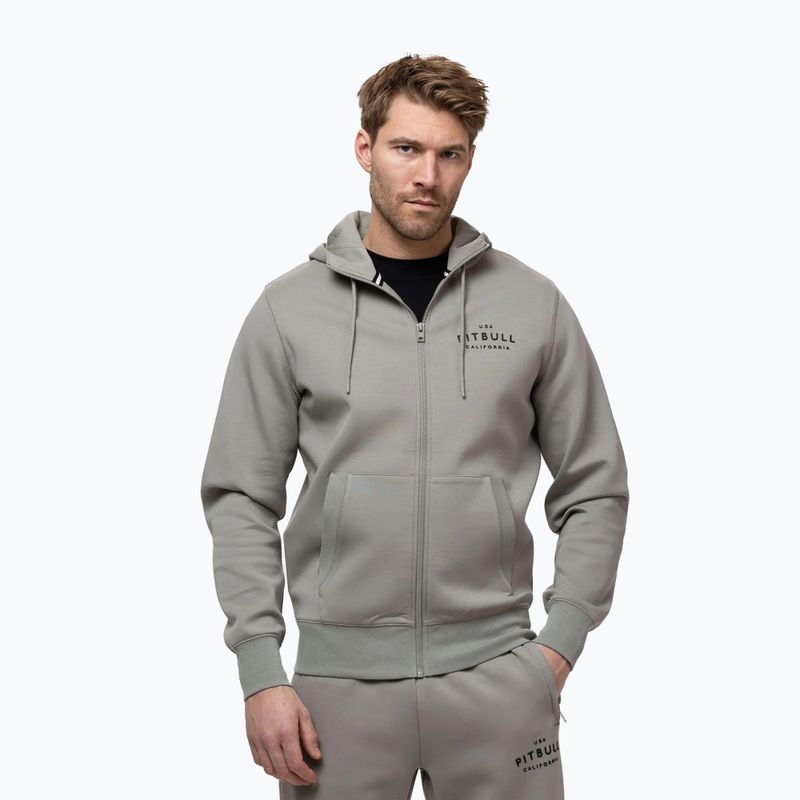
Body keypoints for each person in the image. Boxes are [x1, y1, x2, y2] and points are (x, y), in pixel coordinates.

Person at [200, 53, 629, 799]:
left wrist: (558, 646)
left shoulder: (533, 304)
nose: (427, 175)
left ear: (470, 161)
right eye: (406, 148)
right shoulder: (287, 310)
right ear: (364, 148)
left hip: (499, 678)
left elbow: (595, 484)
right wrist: (260, 670)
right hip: (336, 690)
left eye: (449, 154)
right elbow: (241, 496)